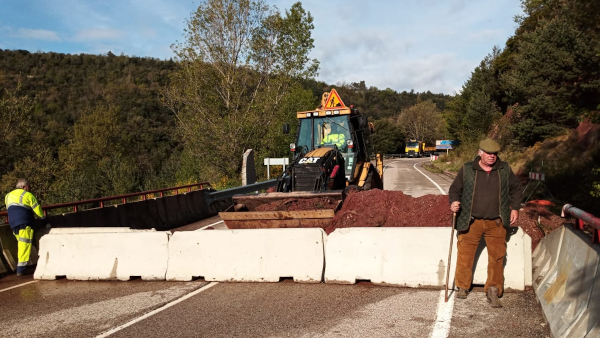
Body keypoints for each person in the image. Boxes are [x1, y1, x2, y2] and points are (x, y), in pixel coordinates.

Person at [448, 138, 523, 308]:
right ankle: (462, 286)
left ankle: (493, 290)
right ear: (480, 152)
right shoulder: (467, 169)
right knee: (465, 255)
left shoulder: (504, 169)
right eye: (489, 153)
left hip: (497, 222)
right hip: (471, 221)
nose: (492, 156)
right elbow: (455, 189)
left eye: (495, 154)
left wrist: (515, 208)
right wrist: (454, 202)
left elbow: (517, 188)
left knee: (497, 257)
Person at [5, 179, 45, 276]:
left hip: (13, 223)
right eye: (29, 187)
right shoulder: (28, 195)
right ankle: (21, 269)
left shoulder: (8, 195)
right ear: (24, 187)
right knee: (24, 246)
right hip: (24, 222)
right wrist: (43, 218)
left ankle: (22, 267)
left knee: (21, 244)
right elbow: (37, 209)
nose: (29, 189)